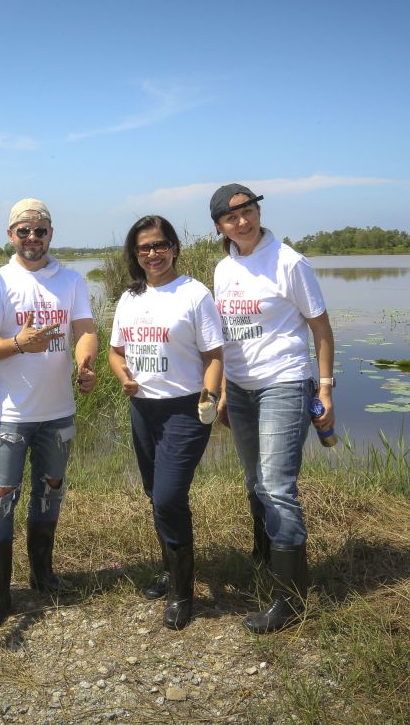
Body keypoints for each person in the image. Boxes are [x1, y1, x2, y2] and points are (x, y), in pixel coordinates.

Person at [209, 183, 336, 634]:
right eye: (231, 216)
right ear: (220, 226)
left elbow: (321, 329)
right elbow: (226, 336)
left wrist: (325, 389)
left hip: (284, 382)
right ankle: (266, 561)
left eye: (248, 210)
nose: (242, 221)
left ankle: (292, 601)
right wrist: (223, 388)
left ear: (258, 211)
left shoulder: (289, 262)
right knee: (253, 480)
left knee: (277, 485)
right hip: (240, 389)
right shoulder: (224, 269)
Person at [0, 198, 99, 630]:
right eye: (23, 231)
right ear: (10, 235)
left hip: (58, 413)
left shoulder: (72, 281)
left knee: (51, 492)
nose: (32, 239)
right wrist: (20, 344)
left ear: (50, 235)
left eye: (40, 230)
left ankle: (43, 576)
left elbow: (84, 331)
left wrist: (85, 363)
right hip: (10, 415)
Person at [107, 215, 223, 630]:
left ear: (174, 247)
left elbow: (213, 356)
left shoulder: (194, 294)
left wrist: (210, 397)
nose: (152, 254)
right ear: (134, 255)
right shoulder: (129, 298)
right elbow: (116, 351)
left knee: (170, 495)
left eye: (159, 245)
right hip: (143, 408)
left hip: (185, 409)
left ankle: (182, 591)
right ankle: (169, 569)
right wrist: (124, 378)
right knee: (155, 492)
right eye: (143, 248)